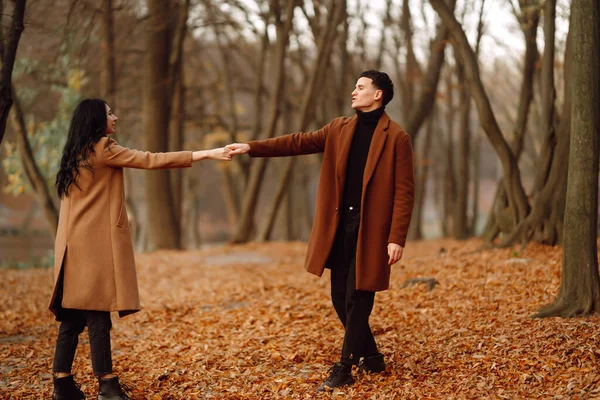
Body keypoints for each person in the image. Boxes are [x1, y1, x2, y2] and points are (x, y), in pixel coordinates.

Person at [227, 70, 415, 391]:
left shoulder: (396, 137)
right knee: (339, 299)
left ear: (378, 94)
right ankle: (371, 354)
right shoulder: (339, 128)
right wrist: (251, 147)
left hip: (372, 231)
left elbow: (404, 191)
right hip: (340, 227)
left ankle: (344, 367)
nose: (353, 92)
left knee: (359, 296)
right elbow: (298, 142)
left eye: (360, 87)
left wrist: (396, 238)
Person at [49, 98, 231, 400]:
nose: (115, 117)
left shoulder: (74, 151)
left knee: (72, 316)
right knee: (97, 316)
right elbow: (151, 159)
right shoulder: (103, 149)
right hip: (91, 248)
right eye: (109, 114)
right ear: (97, 119)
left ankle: (62, 382)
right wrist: (207, 153)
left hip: (70, 248)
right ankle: (107, 384)